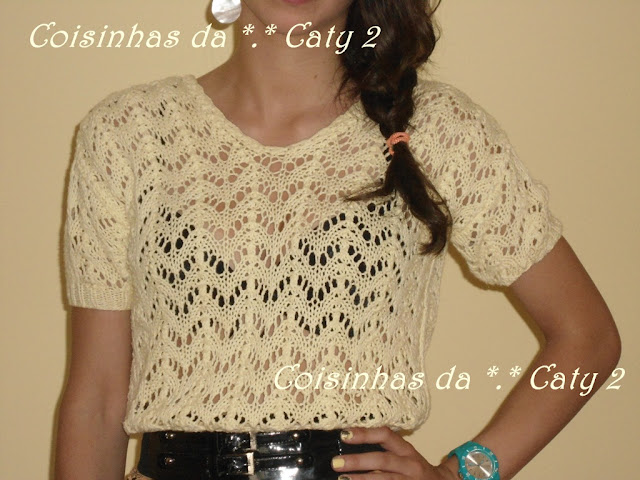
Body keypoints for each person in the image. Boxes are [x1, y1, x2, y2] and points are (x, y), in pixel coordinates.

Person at [54, 1, 621, 479]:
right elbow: (96, 399)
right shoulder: (126, 134)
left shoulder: (438, 129)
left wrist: (464, 472)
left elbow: (588, 338)